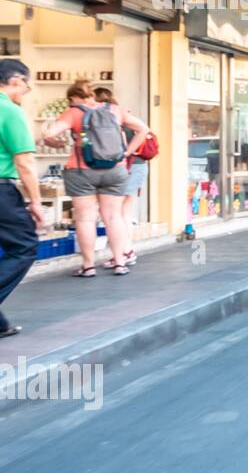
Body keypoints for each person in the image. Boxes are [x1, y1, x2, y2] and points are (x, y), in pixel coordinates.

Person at [41, 81, 150, 276]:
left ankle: (88, 266)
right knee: (113, 217)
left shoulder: (74, 112)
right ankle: (119, 262)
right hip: (115, 169)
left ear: (74, 98)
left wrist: (53, 141)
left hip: (82, 171)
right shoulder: (115, 110)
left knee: (85, 219)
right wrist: (127, 152)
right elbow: (143, 129)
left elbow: (48, 133)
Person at [0, 60, 45, 338]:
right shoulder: (8, 110)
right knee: (24, 245)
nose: (25, 92)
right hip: (1, 192)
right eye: (25, 86)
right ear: (15, 81)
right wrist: (36, 201)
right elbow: (25, 161)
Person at [93, 87, 148, 264]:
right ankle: (127, 251)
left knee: (117, 214)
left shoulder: (111, 118)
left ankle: (125, 252)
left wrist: (126, 154)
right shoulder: (124, 114)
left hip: (128, 167)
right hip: (138, 167)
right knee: (125, 212)